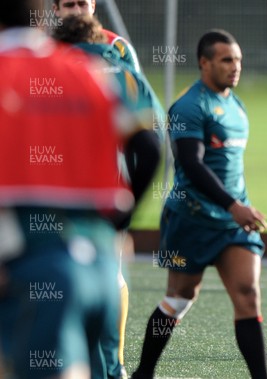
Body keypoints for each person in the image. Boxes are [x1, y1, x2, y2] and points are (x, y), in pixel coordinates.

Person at [0, 1, 159, 378]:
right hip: (102, 264)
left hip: (37, 265)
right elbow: (149, 146)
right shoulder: (91, 73)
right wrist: (123, 218)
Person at [131, 30, 267, 379]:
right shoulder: (189, 106)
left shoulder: (236, 106)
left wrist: (237, 209)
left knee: (248, 295)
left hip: (232, 224)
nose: (235, 67)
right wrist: (233, 205)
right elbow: (192, 164)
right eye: (226, 60)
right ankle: (144, 372)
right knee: (179, 298)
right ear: (204, 63)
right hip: (190, 220)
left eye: (237, 59)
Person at [52, 14, 164, 379]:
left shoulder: (49, 69)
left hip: (43, 201)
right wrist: (125, 213)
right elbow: (152, 142)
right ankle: (111, 368)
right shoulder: (124, 69)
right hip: (106, 201)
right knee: (109, 281)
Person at [52, 0, 141, 72]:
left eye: (82, 4)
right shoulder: (47, 49)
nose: (77, 11)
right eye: (69, 5)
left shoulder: (117, 46)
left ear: (93, 6)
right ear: (56, 10)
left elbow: (137, 90)